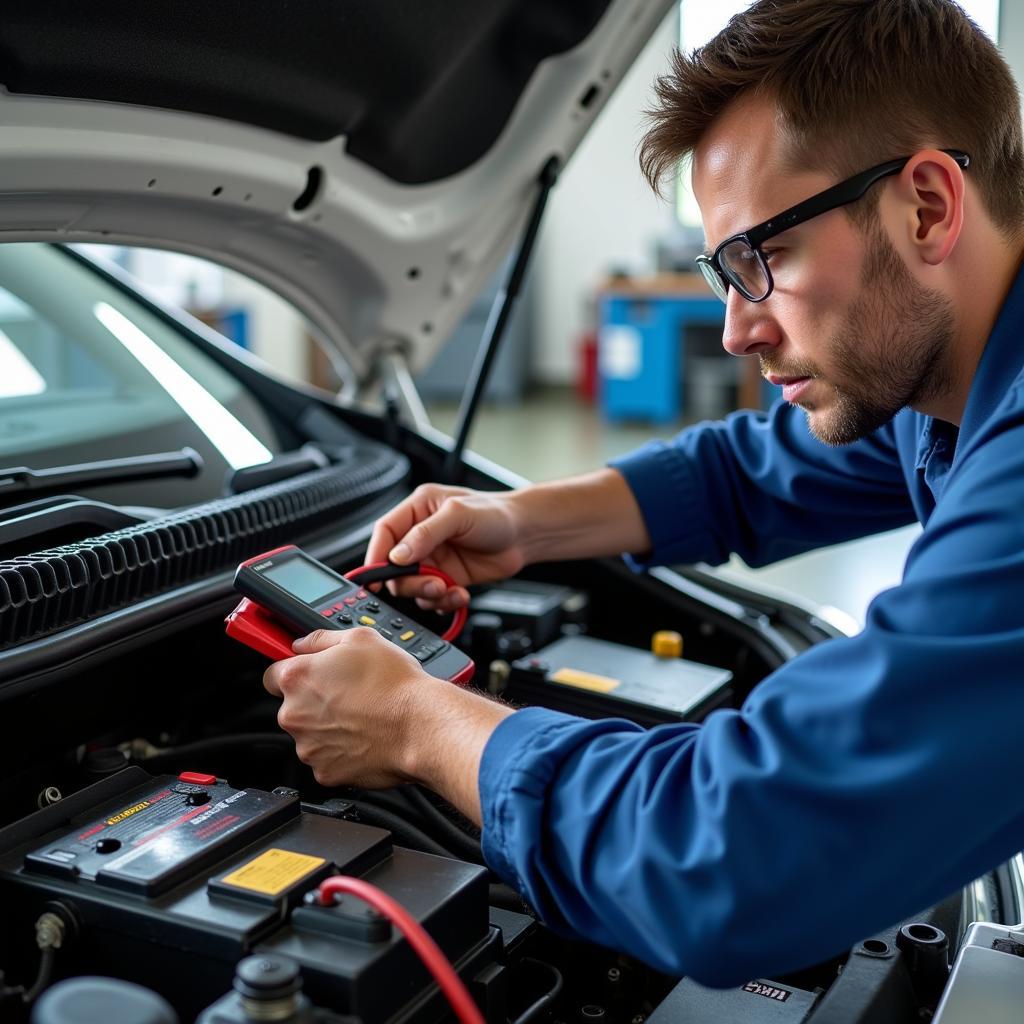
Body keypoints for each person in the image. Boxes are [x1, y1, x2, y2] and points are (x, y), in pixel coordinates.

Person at [263, 0, 1024, 987]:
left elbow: (736, 854)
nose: (735, 332)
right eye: (722, 272)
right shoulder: (950, 382)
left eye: (766, 257)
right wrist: (517, 520)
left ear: (925, 205)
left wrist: (416, 722)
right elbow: (753, 470)